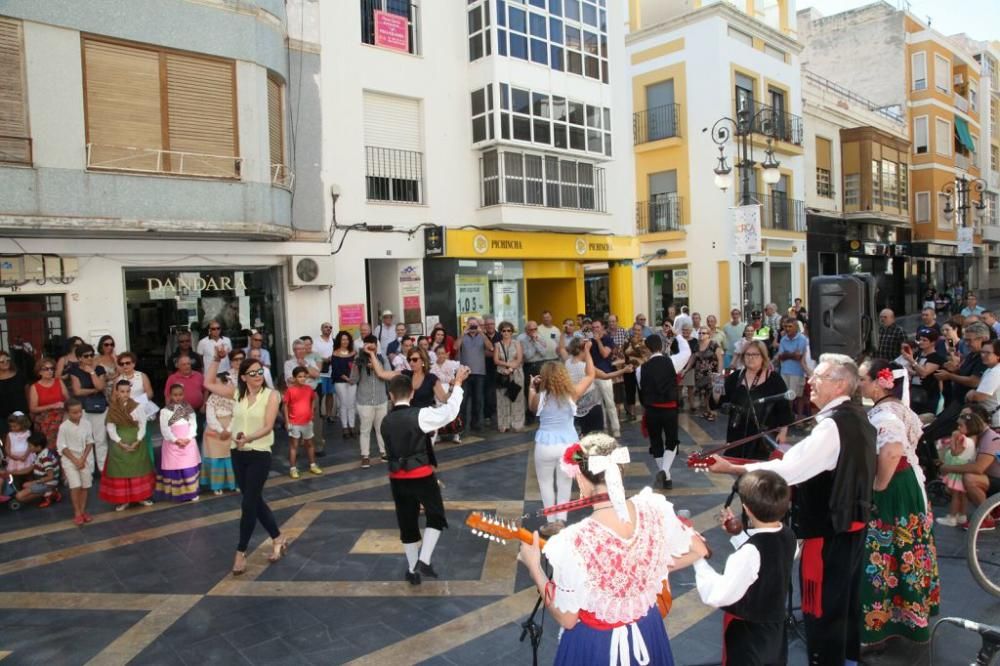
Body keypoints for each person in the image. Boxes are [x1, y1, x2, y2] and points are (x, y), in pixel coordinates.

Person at [710, 354, 877, 665]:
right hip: (852, 525)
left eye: (819, 377)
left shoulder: (831, 427)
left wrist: (733, 468)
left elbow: (787, 471)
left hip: (828, 530)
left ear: (840, 384)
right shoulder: (857, 416)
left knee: (823, 609)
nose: (810, 381)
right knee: (846, 604)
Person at [518, 433, 708, 666]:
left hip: (596, 645)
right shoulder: (654, 508)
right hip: (648, 632)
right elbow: (699, 549)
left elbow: (567, 618)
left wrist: (535, 568)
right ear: (621, 471)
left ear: (581, 479)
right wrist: (646, 565)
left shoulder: (572, 541)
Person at [857, 360, 940, 647]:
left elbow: (892, 451)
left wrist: (878, 485)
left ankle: (879, 625)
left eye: (863, 379)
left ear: (880, 382)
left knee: (883, 552)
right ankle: (911, 617)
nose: (860, 384)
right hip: (908, 486)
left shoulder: (885, 415)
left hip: (894, 487)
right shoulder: (898, 409)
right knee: (907, 548)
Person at [695, 470, 796, 666]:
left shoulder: (748, 553)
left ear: (746, 509)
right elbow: (768, 555)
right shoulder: (789, 536)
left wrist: (698, 560)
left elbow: (719, 594)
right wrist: (738, 535)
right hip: (774, 630)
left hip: (748, 635)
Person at [381, 367, 470, 585]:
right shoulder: (420, 415)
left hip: (397, 478)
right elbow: (450, 412)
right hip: (421, 473)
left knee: (407, 522)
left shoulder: (385, 421)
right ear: (412, 393)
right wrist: (457, 384)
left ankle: (413, 570)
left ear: (391, 396)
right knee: (436, 515)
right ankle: (424, 559)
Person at [205, 352, 289, 576]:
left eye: (260, 372)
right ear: (243, 377)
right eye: (252, 373)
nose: (257, 376)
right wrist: (216, 359)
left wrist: (249, 438)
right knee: (254, 500)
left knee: (249, 503)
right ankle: (278, 537)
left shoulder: (271, 395)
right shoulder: (237, 394)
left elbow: (269, 425)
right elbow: (208, 383)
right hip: (238, 453)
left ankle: (240, 552)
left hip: (259, 452)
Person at [528, 349, 595, 536]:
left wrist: (532, 386)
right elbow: (591, 374)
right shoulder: (572, 394)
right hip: (569, 446)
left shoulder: (540, 397)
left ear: (545, 377)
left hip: (545, 445)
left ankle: (550, 523)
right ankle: (561, 521)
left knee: (545, 483)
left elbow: (532, 408)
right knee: (565, 483)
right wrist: (588, 352)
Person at [722, 340, 794, 461]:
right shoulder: (735, 377)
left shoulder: (774, 379)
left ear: (763, 357)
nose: (751, 358)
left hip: (763, 436)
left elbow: (784, 408)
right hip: (737, 434)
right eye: (747, 354)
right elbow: (718, 403)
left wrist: (783, 432)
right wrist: (716, 390)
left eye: (755, 355)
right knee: (738, 470)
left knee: (758, 473)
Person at [637, 333, 692, 490]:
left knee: (656, 442)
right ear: (661, 347)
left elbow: (642, 389)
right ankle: (665, 472)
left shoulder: (641, 369)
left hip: (652, 410)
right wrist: (678, 336)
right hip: (669, 409)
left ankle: (665, 476)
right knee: (672, 440)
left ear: (647, 349)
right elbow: (687, 352)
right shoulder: (672, 362)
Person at [938, 405, 1000, 530]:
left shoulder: (991, 438)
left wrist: (948, 468)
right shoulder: (973, 437)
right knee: (963, 479)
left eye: (965, 416)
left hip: (995, 478)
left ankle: (986, 518)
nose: (960, 420)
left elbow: (978, 468)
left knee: (970, 478)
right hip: (989, 478)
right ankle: (962, 514)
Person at [101, 379, 156, 512]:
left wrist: (138, 440)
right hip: (119, 445)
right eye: (122, 391)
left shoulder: (138, 406)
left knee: (139, 469)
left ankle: (141, 497)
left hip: (137, 441)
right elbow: (110, 427)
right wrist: (119, 442)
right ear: (117, 392)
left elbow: (143, 424)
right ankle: (123, 500)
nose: (125, 394)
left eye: (127, 391)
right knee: (121, 471)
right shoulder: (113, 408)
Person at [67, 344, 109, 474]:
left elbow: (101, 386)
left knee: (101, 439)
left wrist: (92, 372)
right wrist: (94, 390)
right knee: (86, 440)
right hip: (84, 408)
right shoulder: (74, 371)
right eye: (86, 356)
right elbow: (77, 391)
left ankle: (103, 469)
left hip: (100, 408)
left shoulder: (99, 369)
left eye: (92, 355)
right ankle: (89, 470)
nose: (90, 358)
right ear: (79, 358)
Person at [156, 383, 201, 502]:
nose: (178, 397)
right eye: (175, 395)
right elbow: (165, 429)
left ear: (184, 394)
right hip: (172, 444)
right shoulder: (165, 411)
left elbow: (193, 424)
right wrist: (175, 440)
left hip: (188, 442)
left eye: (180, 394)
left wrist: (188, 437)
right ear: (170, 395)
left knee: (188, 468)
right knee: (176, 469)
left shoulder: (188, 408)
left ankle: (191, 493)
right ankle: (178, 494)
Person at [352, 335, 390, 468]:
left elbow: (388, 375)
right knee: (365, 430)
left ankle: (384, 452)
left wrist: (376, 366)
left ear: (376, 345)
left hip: (381, 399)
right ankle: (365, 456)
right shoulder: (359, 360)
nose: (370, 347)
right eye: (367, 344)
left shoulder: (382, 358)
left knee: (381, 428)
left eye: (372, 344)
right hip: (365, 400)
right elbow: (354, 379)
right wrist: (356, 365)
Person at [935, 416, 977, 526]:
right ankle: (962, 515)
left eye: (961, 425)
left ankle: (952, 517)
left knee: (955, 495)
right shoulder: (972, 440)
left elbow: (955, 453)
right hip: (964, 468)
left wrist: (953, 439)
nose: (958, 428)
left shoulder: (962, 439)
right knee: (962, 495)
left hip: (957, 471)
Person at [57, 399, 95, 524]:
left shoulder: (86, 423)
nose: (78, 415)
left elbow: (90, 442)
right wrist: (75, 460)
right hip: (70, 460)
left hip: (84, 459)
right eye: (74, 412)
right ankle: (77, 512)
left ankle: (83, 510)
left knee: (85, 485)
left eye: (79, 412)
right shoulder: (64, 427)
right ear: (68, 413)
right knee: (75, 485)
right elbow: (62, 447)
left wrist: (83, 459)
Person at [115, 351, 158, 461]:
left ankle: (149, 468)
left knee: (145, 439)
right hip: (126, 415)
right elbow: (114, 398)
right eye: (122, 363)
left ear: (133, 364)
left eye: (128, 363)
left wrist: (136, 402)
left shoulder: (142, 376)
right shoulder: (118, 379)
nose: (125, 365)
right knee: (131, 440)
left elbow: (150, 393)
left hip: (142, 410)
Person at [202, 373, 238, 495]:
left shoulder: (233, 396)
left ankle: (234, 484)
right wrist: (220, 430)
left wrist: (228, 429)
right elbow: (210, 416)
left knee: (231, 457)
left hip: (231, 428)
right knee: (216, 458)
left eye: (218, 384)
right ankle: (216, 485)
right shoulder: (212, 398)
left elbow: (237, 414)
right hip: (215, 430)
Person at [283, 366, 322, 479]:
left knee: (309, 443)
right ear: (294, 378)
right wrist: (287, 421)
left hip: (307, 421)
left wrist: (312, 412)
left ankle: (313, 465)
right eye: (299, 376)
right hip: (294, 422)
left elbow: (312, 400)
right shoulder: (290, 390)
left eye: (304, 376)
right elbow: (285, 406)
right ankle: (293, 468)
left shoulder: (309, 389)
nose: (302, 378)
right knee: (294, 445)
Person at [454, 317, 490, 432]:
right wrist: (463, 333)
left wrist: (481, 333)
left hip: (479, 373)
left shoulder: (482, 336)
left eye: (474, 325)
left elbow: (490, 347)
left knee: (478, 400)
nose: (473, 328)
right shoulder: (463, 336)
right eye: (471, 325)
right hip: (465, 373)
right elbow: (455, 347)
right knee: (463, 400)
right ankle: (463, 425)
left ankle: (476, 424)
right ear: (467, 325)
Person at [588, 319, 621, 437]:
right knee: (598, 404)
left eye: (597, 327)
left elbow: (605, 354)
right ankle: (604, 427)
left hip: (605, 375)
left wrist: (598, 341)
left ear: (602, 327)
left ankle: (616, 428)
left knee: (610, 403)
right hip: (593, 375)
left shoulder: (608, 339)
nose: (595, 329)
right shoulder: (590, 341)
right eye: (593, 327)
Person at [29, 357, 69, 451]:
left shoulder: (59, 381)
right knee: (49, 447)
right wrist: (52, 406)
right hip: (45, 421)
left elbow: (68, 399)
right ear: (39, 372)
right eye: (46, 369)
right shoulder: (35, 387)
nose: (50, 371)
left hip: (61, 417)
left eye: (52, 368)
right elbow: (33, 408)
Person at [901, 328, 944, 416]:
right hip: (913, 391)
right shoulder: (917, 354)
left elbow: (924, 372)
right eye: (920, 339)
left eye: (924, 340)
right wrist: (915, 369)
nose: (921, 342)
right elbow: (907, 367)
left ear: (932, 342)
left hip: (928, 394)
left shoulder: (936, 358)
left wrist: (913, 363)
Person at [493, 321, 525, 433]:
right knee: (502, 399)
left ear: (512, 332)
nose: (506, 332)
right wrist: (507, 367)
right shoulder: (497, 345)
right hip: (502, 374)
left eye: (508, 330)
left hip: (516, 373)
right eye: (504, 330)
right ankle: (503, 424)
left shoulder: (517, 343)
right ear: (501, 332)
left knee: (517, 397)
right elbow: (496, 360)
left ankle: (517, 424)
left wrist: (511, 368)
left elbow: (519, 359)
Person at [14, 432, 61, 507]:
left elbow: (50, 477)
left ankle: (50, 493)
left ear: (38, 447)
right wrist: (12, 472)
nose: (28, 448)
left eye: (30, 446)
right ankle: (48, 492)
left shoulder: (46, 458)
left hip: (49, 482)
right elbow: (29, 469)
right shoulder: (40, 453)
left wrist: (34, 482)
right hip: (43, 481)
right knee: (25, 485)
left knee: (19, 496)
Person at [777, 317, 809, 417]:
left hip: (798, 372)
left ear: (795, 327)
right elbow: (780, 357)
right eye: (785, 326)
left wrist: (787, 354)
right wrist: (791, 355)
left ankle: (799, 418)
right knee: (787, 396)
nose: (787, 329)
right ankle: (789, 417)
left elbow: (799, 356)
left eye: (790, 326)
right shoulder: (783, 339)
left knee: (799, 396)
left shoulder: (802, 339)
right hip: (785, 371)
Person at [692, 325, 724, 421]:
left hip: (712, 374)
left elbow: (720, 359)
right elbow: (693, 358)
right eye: (700, 333)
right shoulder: (697, 345)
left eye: (703, 333)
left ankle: (713, 413)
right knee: (704, 394)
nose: (701, 334)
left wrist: (719, 374)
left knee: (713, 394)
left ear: (709, 335)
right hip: (700, 375)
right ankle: (707, 411)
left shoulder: (714, 344)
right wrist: (686, 369)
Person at [966, 338, 1000, 426]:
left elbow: (979, 396)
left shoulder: (996, 372)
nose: (983, 355)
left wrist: (971, 394)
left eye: (987, 353)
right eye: (982, 352)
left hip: (995, 421)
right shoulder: (990, 369)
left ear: (998, 355)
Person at [331, 331, 357, 439]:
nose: (345, 341)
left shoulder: (354, 353)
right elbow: (336, 370)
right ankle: (345, 427)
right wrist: (347, 379)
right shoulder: (335, 354)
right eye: (343, 339)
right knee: (344, 404)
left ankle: (352, 426)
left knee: (351, 404)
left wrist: (353, 378)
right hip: (340, 382)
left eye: (347, 339)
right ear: (339, 341)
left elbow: (356, 368)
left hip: (352, 382)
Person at [622, 324, 650, 422]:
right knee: (630, 391)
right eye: (635, 330)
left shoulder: (645, 341)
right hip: (629, 369)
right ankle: (632, 414)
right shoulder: (627, 340)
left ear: (642, 331)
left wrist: (633, 347)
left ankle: (645, 414)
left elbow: (643, 353)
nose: (636, 332)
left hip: (641, 370)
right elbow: (624, 352)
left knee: (643, 392)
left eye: (638, 330)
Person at [0, 350, 29, 438]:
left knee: (25, 439)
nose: (6, 362)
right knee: (7, 441)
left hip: (21, 415)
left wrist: (29, 411)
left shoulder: (20, 375)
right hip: (2, 417)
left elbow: (27, 393)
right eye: (2, 361)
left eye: (7, 359)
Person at [314, 323, 336, 422]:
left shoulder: (334, 341)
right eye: (326, 327)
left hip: (331, 371)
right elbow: (313, 355)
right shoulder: (316, 341)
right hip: (320, 371)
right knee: (320, 394)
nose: (328, 329)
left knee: (330, 393)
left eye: (330, 327)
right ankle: (318, 415)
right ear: (321, 329)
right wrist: (324, 359)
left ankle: (329, 415)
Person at [4, 411, 34, 482]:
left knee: (28, 475)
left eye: (15, 426)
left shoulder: (28, 433)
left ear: (22, 424)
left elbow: (30, 446)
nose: (12, 428)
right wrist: (12, 456)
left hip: (26, 458)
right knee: (15, 477)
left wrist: (25, 455)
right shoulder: (10, 435)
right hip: (14, 460)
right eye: (11, 426)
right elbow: (7, 447)